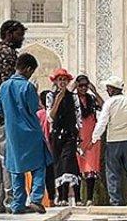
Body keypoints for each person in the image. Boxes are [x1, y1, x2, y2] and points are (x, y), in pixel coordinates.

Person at [0, 53, 52, 214]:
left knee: (16, 169)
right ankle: (36, 199)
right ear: (28, 69)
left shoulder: (4, 86)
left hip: (13, 134)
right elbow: (33, 108)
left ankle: (18, 204)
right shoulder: (28, 87)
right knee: (39, 166)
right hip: (31, 133)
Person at [0, 20, 26, 213]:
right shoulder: (8, 54)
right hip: (5, 111)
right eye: (19, 34)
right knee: (9, 157)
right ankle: (12, 201)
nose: (22, 39)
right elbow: (11, 86)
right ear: (9, 34)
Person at [92, 75, 127, 206]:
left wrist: (94, 138)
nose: (107, 91)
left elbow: (102, 123)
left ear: (112, 89)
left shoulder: (110, 103)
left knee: (112, 172)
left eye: (108, 88)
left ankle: (116, 201)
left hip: (113, 142)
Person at [47, 69, 83, 206]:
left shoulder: (73, 97)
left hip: (70, 134)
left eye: (64, 79)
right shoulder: (51, 96)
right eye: (60, 79)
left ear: (68, 82)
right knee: (59, 164)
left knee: (68, 162)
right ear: (56, 81)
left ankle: (75, 197)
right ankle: (62, 197)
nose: (62, 82)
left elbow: (78, 116)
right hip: (56, 134)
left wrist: (79, 134)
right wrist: (58, 99)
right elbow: (50, 117)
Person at [73, 75, 104, 205]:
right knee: (77, 168)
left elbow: (103, 106)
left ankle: (89, 198)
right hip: (77, 137)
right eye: (80, 85)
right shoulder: (72, 99)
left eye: (86, 85)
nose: (83, 88)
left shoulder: (91, 99)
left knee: (91, 168)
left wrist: (95, 91)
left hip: (91, 138)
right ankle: (78, 199)